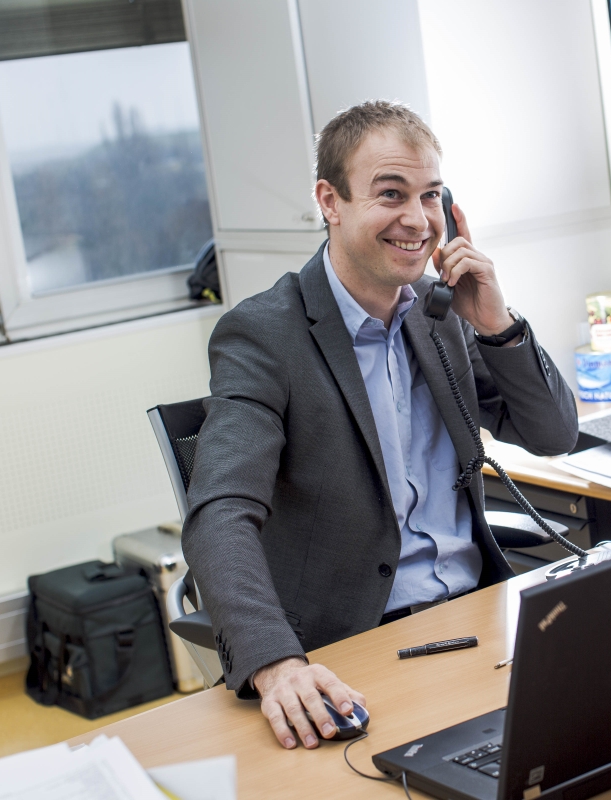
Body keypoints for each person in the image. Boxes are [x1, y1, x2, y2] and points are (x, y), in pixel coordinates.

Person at [182, 101, 578, 749]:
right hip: (358, 649)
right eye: (390, 194)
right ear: (329, 202)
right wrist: (277, 664)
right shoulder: (265, 334)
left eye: (431, 197)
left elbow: (553, 433)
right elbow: (220, 511)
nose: (417, 221)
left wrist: (498, 325)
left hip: (482, 618)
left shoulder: (438, 312)